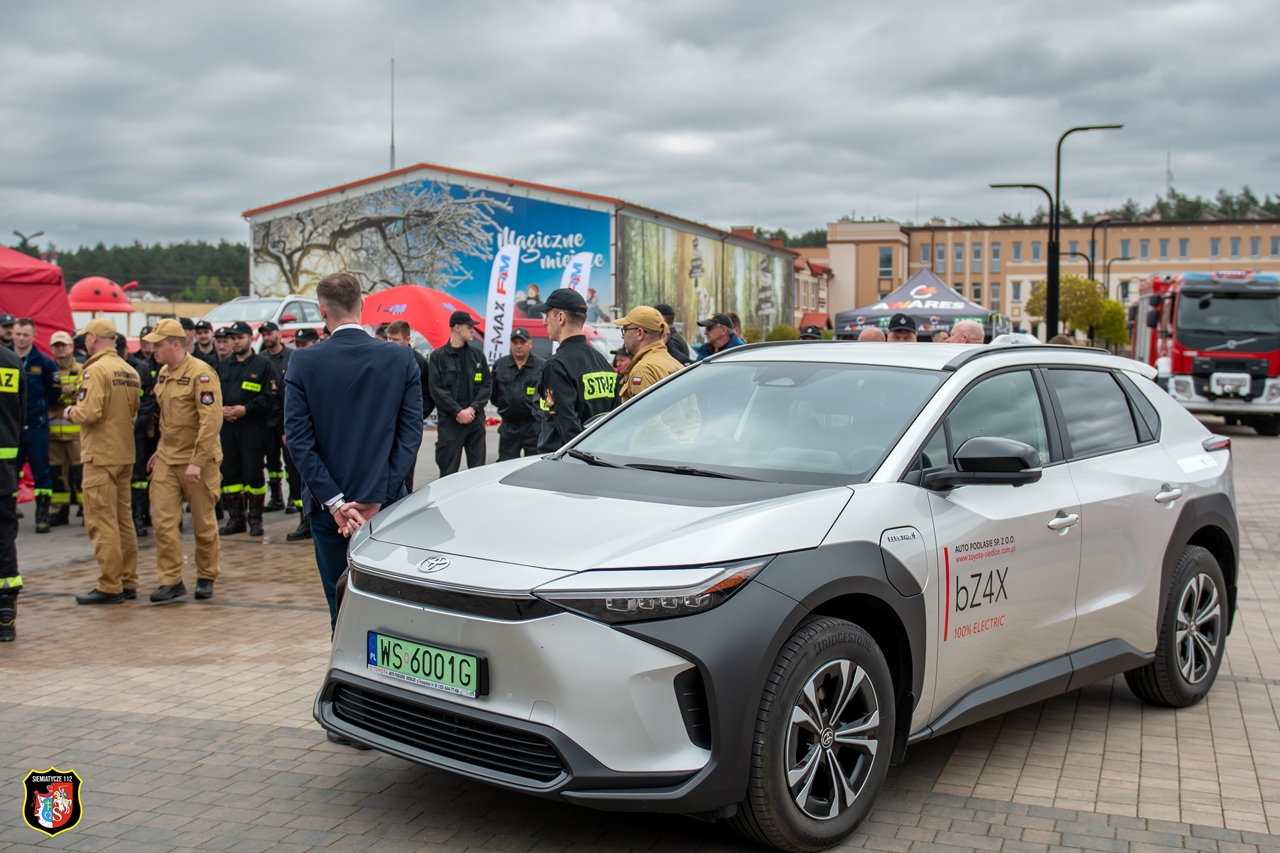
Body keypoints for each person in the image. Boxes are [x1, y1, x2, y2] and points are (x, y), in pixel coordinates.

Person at [283, 272, 422, 632]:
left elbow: (299, 440)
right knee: (391, 606)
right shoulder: (401, 358)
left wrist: (335, 502)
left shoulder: (303, 362)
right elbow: (410, 436)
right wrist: (377, 497)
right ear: (362, 305)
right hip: (387, 506)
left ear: (321, 311)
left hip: (330, 513)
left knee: (341, 608)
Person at [142, 319, 223, 602]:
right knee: (163, 521)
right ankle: (171, 580)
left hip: (198, 460)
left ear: (175, 344)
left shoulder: (201, 373)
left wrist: (197, 461)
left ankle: (206, 575)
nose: (152, 349)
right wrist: (160, 450)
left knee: (202, 522)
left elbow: (211, 420)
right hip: (168, 457)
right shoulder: (163, 373)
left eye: (158, 344)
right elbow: (168, 420)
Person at [65, 320, 141, 605]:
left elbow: (90, 411)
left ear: (93, 338)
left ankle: (110, 585)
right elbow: (133, 413)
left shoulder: (95, 370)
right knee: (124, 519)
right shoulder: (130, 371)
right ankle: (128, 580)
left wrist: (71, 410)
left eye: (85, 338)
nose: (84, 342)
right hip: (124, 452)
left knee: (101, 520)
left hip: (100, 454)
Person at [534, 288, 617, 452]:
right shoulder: (604, 364)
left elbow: (567, 428)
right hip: (601, 456)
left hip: (564, 463)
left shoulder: (556, 366)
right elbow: (615, 420)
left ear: (560, 317)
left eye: (547, 315)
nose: (544, 322)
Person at [216, 321, 279, 536]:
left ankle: (255, 519)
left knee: (253, 473)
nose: (235, 342)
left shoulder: (262, 365)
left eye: (239, 338)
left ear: (250, 339)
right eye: (232, 338)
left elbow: (271, 396)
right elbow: (213, 394)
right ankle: (236, 519)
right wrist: (221, 409)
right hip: (227, 428)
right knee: (230, 474)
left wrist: (246, 409)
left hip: (252, 426)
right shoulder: (223, 365)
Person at [427, 311, 491, 476]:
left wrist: (472, 409)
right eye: (469, 327)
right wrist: (457, 410)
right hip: (450, 421)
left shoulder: (477, 356)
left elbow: (486, 385)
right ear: (456, 328)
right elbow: (437, 389)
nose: (472, 331)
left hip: (474, 419)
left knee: (477, 472)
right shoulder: (438, 357)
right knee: (448, 471)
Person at [12, 319, 60, 533]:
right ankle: (8, 512)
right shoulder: (5, 359)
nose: (21, 338)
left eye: (25, 334)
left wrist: (39, 410)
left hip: (37, 426)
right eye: (17, 334)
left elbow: (54, 391)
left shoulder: (44, 362)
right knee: (9, 472)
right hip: (10, 429)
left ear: (33, 336)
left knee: (41, 472)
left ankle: (42, 514)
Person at [384, 320, 432, 489]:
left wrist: (414, 417)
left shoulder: (419, 362)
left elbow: (428, 395)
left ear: (407, 339)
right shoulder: (382, 360)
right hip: (385, 425)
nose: (390, 343)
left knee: (405, 471)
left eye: (395, 339)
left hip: (408, 427)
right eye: (388, 338)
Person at [284, 327, 320, 541]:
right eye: (297, 345)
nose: (299, 349)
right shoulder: (295, 363)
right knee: (298, 477)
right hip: (299, 434)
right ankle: (304, 519)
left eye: (304, 344)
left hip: (319, 438)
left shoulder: (323, 365)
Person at [0, 341, 24, 639]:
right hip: (3, 467)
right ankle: (6, 613)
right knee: (4, 533)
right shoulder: (11, 360)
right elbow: (19, 414)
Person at [491, 327, 545, 461]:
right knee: (505, 467)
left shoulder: (542, 366)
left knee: (533, 467)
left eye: (523, 342)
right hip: (509, 427)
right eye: (515, 343)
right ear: (510, 344)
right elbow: (494, 395)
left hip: (533, 427)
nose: (519, 346)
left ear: (530, 344)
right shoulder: (500, 365)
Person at [47, 331, 83, 527]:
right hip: (53, 433)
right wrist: (67, 394)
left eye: (63, 345)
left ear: (71, 347)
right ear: (52, 348)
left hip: (76, 432)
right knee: (57, 474)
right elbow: (48, 395)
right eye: (56, 346)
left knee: (80, 473)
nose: (60, 349)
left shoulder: (80, 369)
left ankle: (87, 510)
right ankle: (58, 511)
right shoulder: (48, 368)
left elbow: (82, 395)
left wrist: (59, 393)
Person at [129, 327, 161, 536]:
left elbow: (153, 399)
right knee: (140, 470)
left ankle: (153, 512)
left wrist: (149, 418)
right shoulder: (135, 364)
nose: (147, 345)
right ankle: (140, 515)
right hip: (141, 426)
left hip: (156, 425)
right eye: (143, 340)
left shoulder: (163, 363)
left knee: (151, 471)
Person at [615, 306, 683, 401]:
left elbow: (644, 415)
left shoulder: (643, 370)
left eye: (625, 330)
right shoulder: (678, 366)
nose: (623, 336)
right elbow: (693, 412)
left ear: (640, 333)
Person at [259, 321, 292, 512]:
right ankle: (276, 496)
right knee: (271, 461)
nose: (266, 338)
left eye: (269, 334)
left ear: (278, 334)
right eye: (263, 335)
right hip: (266, 420)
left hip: (284, 420)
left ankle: (291, 499)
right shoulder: (261, 359)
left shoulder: (290, 357)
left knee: (290, 461)